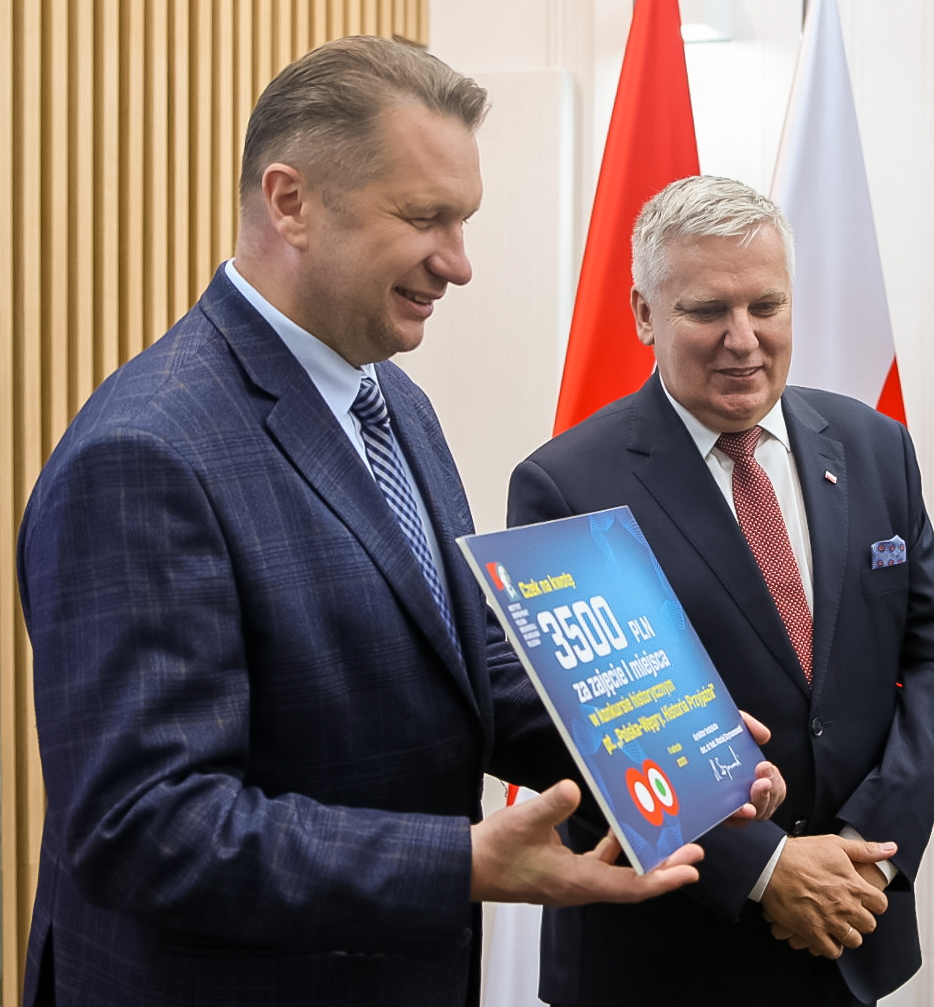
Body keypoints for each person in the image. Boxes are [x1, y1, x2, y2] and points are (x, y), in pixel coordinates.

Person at [17, 38, 780, 1007]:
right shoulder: (144, 454)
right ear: (290, 202)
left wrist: (666, 739)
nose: (458, 263)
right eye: (425, 218)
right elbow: (142, 825)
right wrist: (458, 861)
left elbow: (459, 666)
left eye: (463, 220)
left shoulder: (393, 403)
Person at [507, 175, 934, 1007]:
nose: (743, 338)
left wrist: (866, 848)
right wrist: (764, 866)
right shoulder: (569, 485)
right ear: (644, 314)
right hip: (666, 955)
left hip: (849, 928)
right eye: (707, 310)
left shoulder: (875, 447)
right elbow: (571, 726)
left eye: (766, 305)